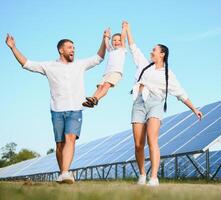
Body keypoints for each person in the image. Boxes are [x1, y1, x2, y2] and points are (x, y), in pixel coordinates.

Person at [5, 31, 106, 184]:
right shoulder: (49, 66)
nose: (73, 50)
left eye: (74, 48)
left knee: (70, 138)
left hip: (75, 109)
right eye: (70, 47)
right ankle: (63, 173)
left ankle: (65, 172)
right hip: (57, 110)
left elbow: (99, 57)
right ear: (61, 50)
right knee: (59, 145)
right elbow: (26, 64)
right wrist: (13, 47)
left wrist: (104, 40)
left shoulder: (80, 64)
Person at [124, 21, 203, 186]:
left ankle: (154, 177)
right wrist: (128, 30)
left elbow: (181, 93)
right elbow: (133, 48)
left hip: (155, 104)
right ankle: (142, 175)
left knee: (152, 140)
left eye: (154, 50)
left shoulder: (168, 75)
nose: (151, 51)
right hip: (139, 103)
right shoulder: (144, 65)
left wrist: (194, 109)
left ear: (162, 54)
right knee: (138, 144)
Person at [82, 24, 126, 108]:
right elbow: (106, 42)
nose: (116, 42)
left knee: (106, 85)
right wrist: (107, 35)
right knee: (100, 86)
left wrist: (124, 28)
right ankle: (91, 100)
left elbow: (123, 37)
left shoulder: (122, 49)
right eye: (114, 40)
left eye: (119, 40)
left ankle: (96, 99)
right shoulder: (111, 50)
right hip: (107, 73)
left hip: (116, 72)